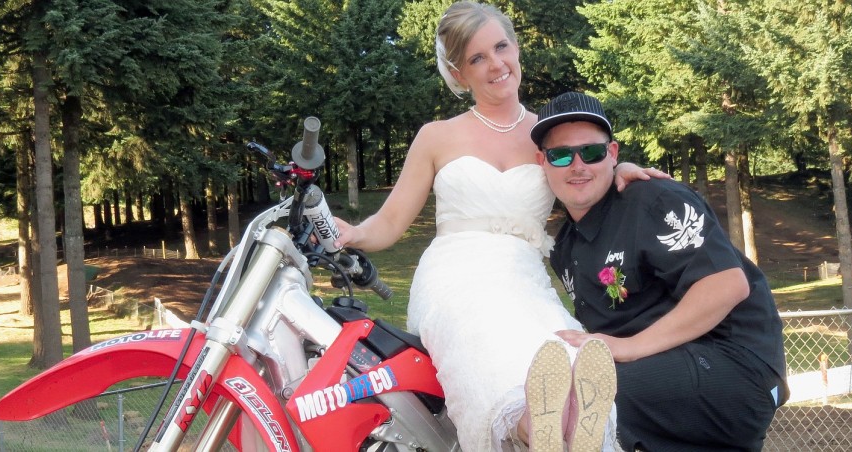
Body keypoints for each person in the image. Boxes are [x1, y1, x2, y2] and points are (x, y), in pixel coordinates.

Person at [332, 2, 663, 450]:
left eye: (500, 47)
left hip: (521, 276)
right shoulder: (437, 136)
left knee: (561, 352)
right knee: (491, 352)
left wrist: (620, 170)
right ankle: (538, 429)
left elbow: (586, 172)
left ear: (516, 47)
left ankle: (564, 430)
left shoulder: (549, 136)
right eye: (477, 58)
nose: (496, 65)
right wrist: (353, 234)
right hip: (454, 276)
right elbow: (390, 222)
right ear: (458, 72)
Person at [532, 91, 790, 451]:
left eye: (591, 152)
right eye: (561, 155)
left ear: (613, 153)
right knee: (556, 400)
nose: (578, 166)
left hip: (733, 364)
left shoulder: (654, 200)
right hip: (655, 383)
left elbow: (727, 285)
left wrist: (628, 348)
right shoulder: (565, 249)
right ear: (542, 162)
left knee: (587, 395)